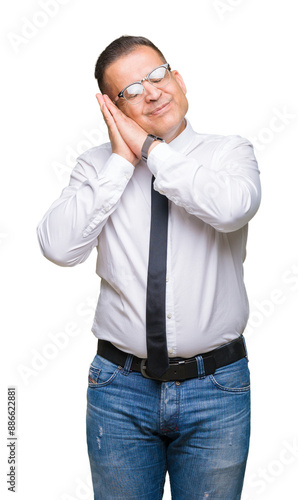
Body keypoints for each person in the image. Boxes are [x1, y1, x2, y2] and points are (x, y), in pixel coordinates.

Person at [37, 35, 261, 500]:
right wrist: (122, 160)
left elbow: (231, 209)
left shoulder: (228, 153)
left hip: (216, 388)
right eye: (132, 90)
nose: (153, 91)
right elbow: (59, 247)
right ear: (112, 108)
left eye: (157, 75)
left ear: (177, 78)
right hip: (120, 390)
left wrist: (152, 151)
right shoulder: (95, 167)